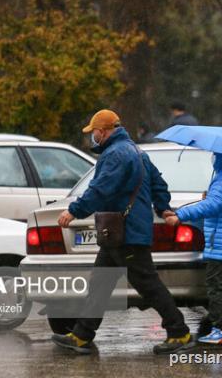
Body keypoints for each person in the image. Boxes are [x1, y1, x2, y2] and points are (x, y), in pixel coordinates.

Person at [51, 109, 192, 355]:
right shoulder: (138, 152)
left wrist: (74, 210)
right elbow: (159, 184)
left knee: (147, 284)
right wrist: (164, 208)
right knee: (100, 284)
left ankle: (179, 332)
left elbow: (101, 188)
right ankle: (82, 335)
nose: (92, 137)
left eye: (93, 132)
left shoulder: (115, 154)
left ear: (103, 131)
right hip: (118, 232)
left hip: (125, 232)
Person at [164, 153, 222, 347]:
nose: (213, 157)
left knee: (217, 288)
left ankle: (220, 330)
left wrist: (180, 215)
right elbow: (221, 205)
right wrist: (211, 197)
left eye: (215, 154)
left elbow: (212, 206)